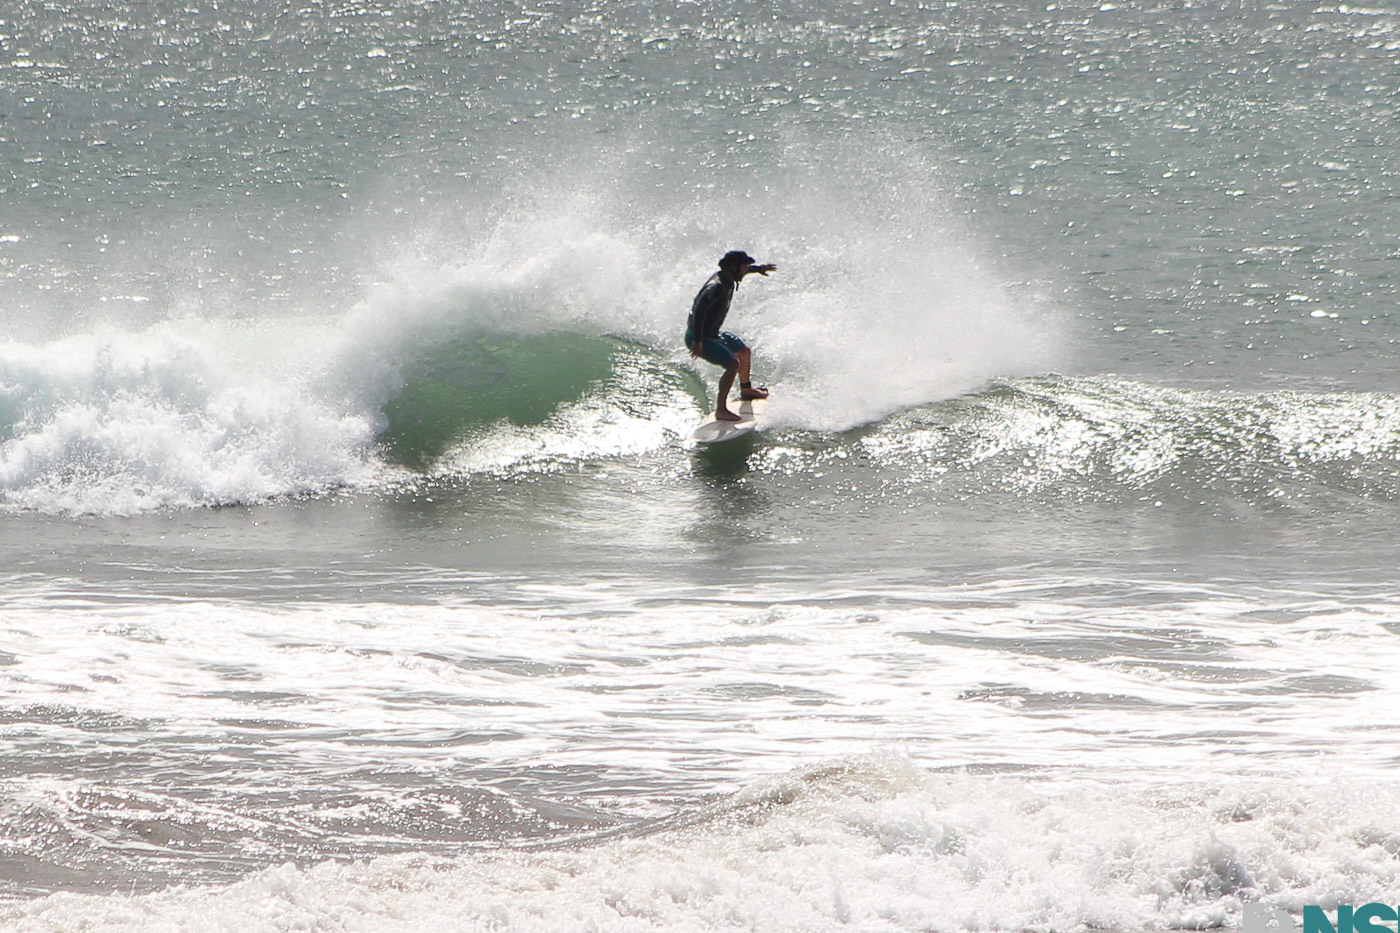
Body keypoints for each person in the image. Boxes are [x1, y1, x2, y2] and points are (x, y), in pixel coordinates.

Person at [684, 250, 777, 422]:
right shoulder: (716, 287)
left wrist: (757, 269)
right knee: (733, 364)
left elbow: (745, 270)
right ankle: (721, 410)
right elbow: (699, 311)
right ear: (733, 267)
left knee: (744, 351)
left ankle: (746, 389)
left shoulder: (728, 277)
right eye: (744, 267)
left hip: (713, 334)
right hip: (699, 337)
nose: (745, 270)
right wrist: (697, 341)